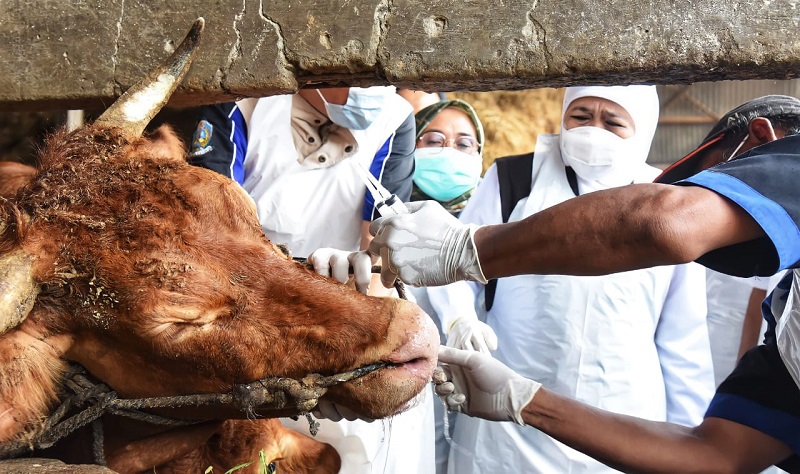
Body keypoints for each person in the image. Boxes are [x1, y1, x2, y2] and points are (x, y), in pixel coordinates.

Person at [365, 94, 800, 472]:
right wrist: (524, 400)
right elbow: (714, 457)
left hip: (628, 400)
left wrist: (470, 248)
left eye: (711, 183)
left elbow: (665, 226)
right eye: (581, 115)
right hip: (523, 437)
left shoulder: (777, 171)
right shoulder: (789, 341)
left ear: (761, 142)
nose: (594, 131)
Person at [425, 85, 714, 473]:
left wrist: (688, 444)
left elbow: (684, 343)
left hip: (624, 420)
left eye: (612, 122)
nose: (593, 131)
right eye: (580, 117)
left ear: (643, 129)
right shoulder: (515, 180)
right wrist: (459, 318)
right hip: (507, 414)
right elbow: (454, 264)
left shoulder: (669, 206)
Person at [189, 87, 433, 474]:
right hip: (246, 317)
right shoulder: (245, 103)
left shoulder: (394, 117)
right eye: (357, 76)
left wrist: (348, 350)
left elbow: (383, 257)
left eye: (380, 80)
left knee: (356, 453)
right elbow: (211, 236)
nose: (372, 91)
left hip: (344, 315)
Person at [406, 98, 487, 474]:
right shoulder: (381, 218)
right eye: (433, 140)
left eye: (463, 143)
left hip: (475, 390)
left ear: (480, 154)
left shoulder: (498, 222)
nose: (449, 151)